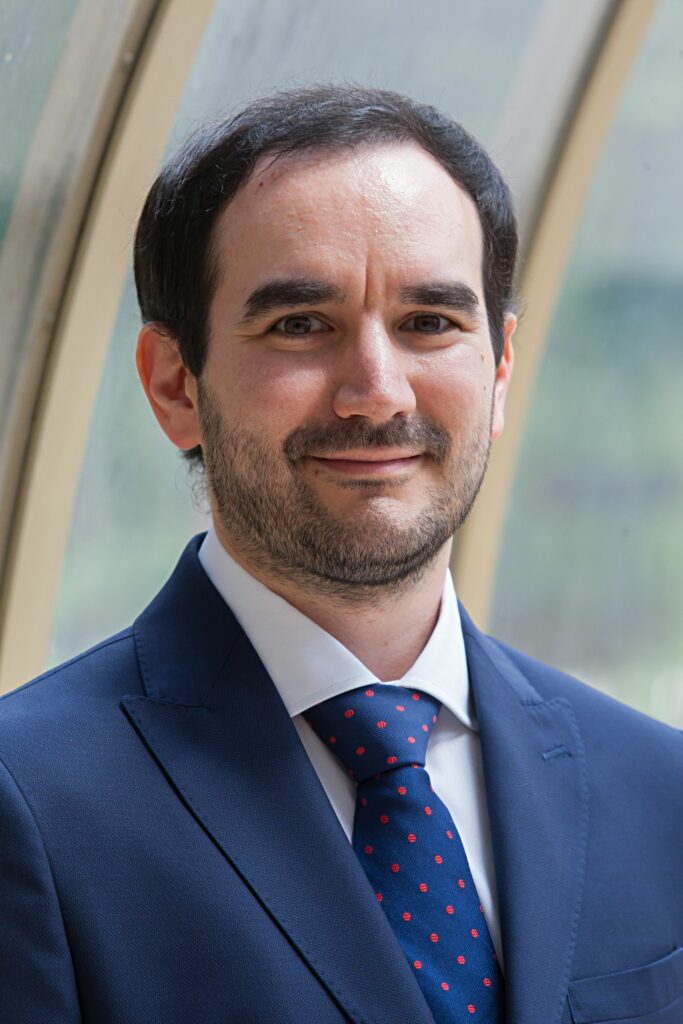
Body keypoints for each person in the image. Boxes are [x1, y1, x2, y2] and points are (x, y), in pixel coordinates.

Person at [0, 85, 681, 1024]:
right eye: (300, 325)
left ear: (498, 370)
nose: (376, 392)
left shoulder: (658, 791)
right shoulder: (29, 804)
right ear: (174, 384)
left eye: (429, 322)